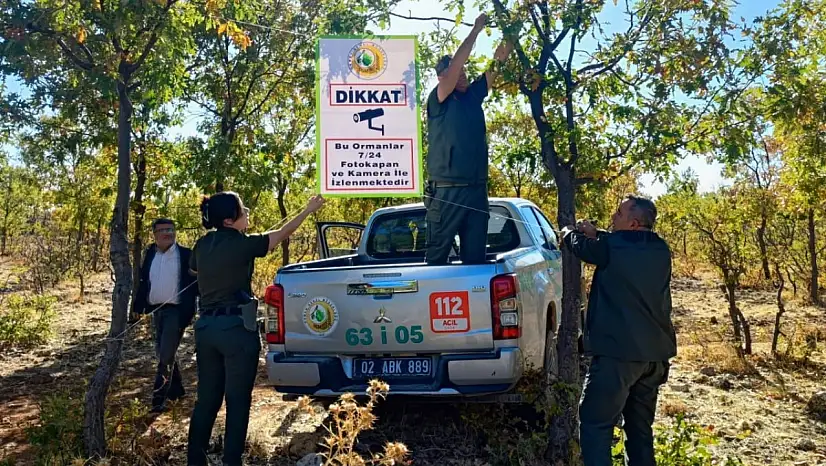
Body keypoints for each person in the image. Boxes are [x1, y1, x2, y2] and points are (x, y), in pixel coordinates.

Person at [187, 191, 325, 466]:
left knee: (207, 401)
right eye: (242, 209)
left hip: (206, 329)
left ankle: (195, 460)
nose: (247, 212)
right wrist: (308, 210)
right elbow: (283, 233)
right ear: (228, 220)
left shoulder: (202, 244)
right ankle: (231, 461)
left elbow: (194, 270)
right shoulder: (242, 243)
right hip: (236, 330)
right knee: (237, 401)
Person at [561, 195, 677, 466]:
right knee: (639, 430)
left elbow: (583, 247)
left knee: (595, 423)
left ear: (634, 223)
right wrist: (597, 233)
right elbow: (619, 246)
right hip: (655, 356)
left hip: (618, 355)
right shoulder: (660, 249)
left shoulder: (611, 248)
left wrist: (567, 232)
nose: (613, 217)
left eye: (619, 214)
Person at [424, 13, 513, 265]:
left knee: (475, 261)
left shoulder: (473, 95)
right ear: (442, 77)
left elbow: (498, 63)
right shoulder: (439, 99)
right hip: (446, 192)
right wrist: (475, 30)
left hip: (476, 190)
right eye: (455, 72)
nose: (461, 74)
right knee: (436, 261)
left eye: (463, 71)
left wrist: (513, 28)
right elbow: (455, 67)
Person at [131, 218, 198, 413]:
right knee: (163, 352)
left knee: (165, 355)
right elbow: (144, 281)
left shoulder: (186, 254)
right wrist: (138, 306)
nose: (168, 233)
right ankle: (176, 390)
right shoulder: (150, 254)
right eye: (163, 230)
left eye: (171, 229)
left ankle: (158, 400)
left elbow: (197, 283)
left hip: (177, 312)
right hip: (156, 310)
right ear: (155, 234)